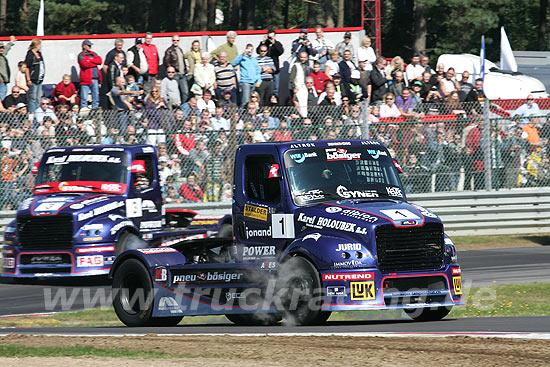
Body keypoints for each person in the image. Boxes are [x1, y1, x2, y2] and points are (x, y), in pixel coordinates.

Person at [256, 30, 284, 96]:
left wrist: (273, 43)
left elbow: (280, 52)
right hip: (265, 70)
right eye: (269, 37)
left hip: (275, 69)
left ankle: (274, 103)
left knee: (275, 89)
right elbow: (258, 51)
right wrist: (263, 42)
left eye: (272, 37)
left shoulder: (277, 44)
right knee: (264, 89)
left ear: (274, 36)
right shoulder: (265, 44)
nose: (270, 38)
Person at [163, 34, 188, 103]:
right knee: (175, 92)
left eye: (177, 40)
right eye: (174, 40)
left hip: (183, 74)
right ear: (172, 40)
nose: (175, 42)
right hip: (175, 74)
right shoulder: (169, 50)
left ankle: (183, 106)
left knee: (185, 92)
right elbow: (166, 62)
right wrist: (172, 71)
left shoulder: (180, 49)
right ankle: (175, 107)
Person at [78, 39, 102, 110]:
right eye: (88, 45)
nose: (90, 47)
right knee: (84, 98)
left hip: (95, 78)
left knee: (96, 96)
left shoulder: (94, 53)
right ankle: (83, 111)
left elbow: (100, 61)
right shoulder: (81, 55)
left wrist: (90, 61)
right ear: (84, 46)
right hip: (85, 79)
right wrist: (94, 62)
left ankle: (95, 109)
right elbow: (84, 64)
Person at [24, 39, 45, 113]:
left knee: (38, 98)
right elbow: (27, 67)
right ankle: (32, 114)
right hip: (33, 80)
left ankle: (37, 114)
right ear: (36, 45)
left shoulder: (39, 53)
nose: (40, 46)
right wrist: (28, 79)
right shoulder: (30, 54)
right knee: (32, 98)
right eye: (39, 45)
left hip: (39, 79)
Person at [0, 36, 16, 100]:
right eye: (0, 47)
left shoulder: (2, 55)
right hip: (1, 82)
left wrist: (11, 41)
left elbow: (6, 48)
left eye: (2, 47)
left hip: (4, 82)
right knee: (2, 99)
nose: (2, 49)